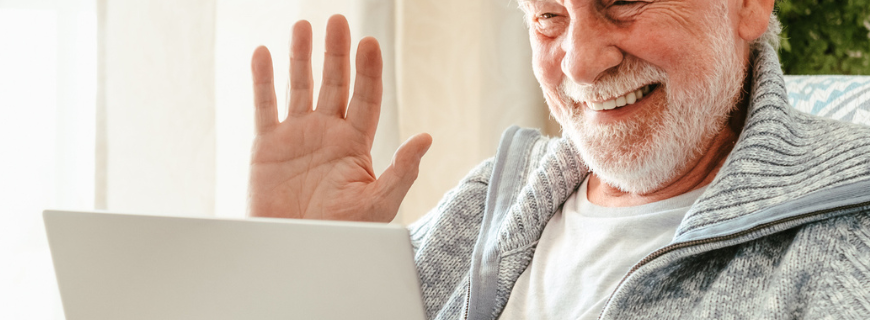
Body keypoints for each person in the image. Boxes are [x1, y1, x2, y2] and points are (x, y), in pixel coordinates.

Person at [247, 0, 870, 319]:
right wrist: (301, 270)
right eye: (548, 15)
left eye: (622, 0)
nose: (577, 63)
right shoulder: (491, 200)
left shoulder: (848, 237)